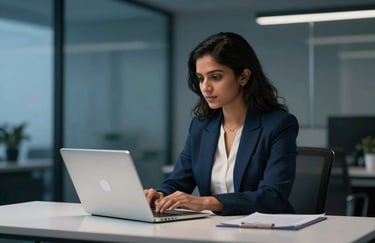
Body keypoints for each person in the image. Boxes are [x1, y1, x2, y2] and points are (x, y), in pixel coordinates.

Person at [144, 32, 299, 216]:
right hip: (215, 230)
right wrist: (160, 194)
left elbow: (273, 197)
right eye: (201, 78)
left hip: (265, 231)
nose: (205, 87)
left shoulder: (278, 125)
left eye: (215, 77)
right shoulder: (201, 126)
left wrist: (207, 202)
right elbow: (179, 180)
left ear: (243, 76)